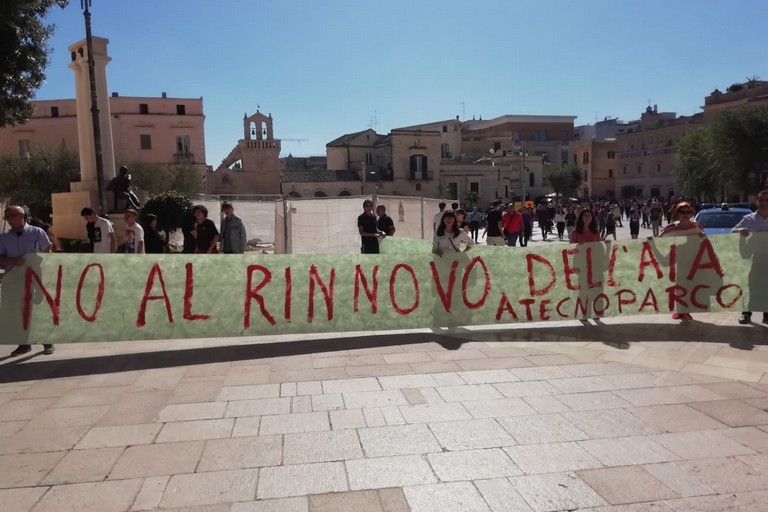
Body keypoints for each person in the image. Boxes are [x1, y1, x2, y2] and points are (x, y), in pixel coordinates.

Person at [0, 205, 55, 356]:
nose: (9, 220)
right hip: (15, 280)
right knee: (20, 313)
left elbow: (48, 253)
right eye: (7, 217)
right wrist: (12, 261)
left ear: (21, 216)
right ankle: (24, 344)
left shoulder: (37, 232)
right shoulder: (3, 238)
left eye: (11, 216)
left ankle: (47, 342)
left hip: (37, 278)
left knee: (39, 310)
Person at [659, 201, 704, 321]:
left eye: (688, 212)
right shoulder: (671, 228)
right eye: (682, 212)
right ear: (678, 213)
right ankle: (680, 311)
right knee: (680, 287)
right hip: (678, 262)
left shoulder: (697, 227)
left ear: (691, 213)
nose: (685, 214)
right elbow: (659, 241)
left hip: (694, 261)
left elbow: (704, 240)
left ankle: (686, 310)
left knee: (690, 287)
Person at [732, 189, 768, 325]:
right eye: (761, 200)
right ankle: (746, 313)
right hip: (753, 260)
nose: (764, 203)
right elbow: (732, 232)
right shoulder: (748, 219)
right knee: (751, 287)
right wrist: (740, 231)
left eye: (767, 200)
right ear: (756, 201)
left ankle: (767, 314)